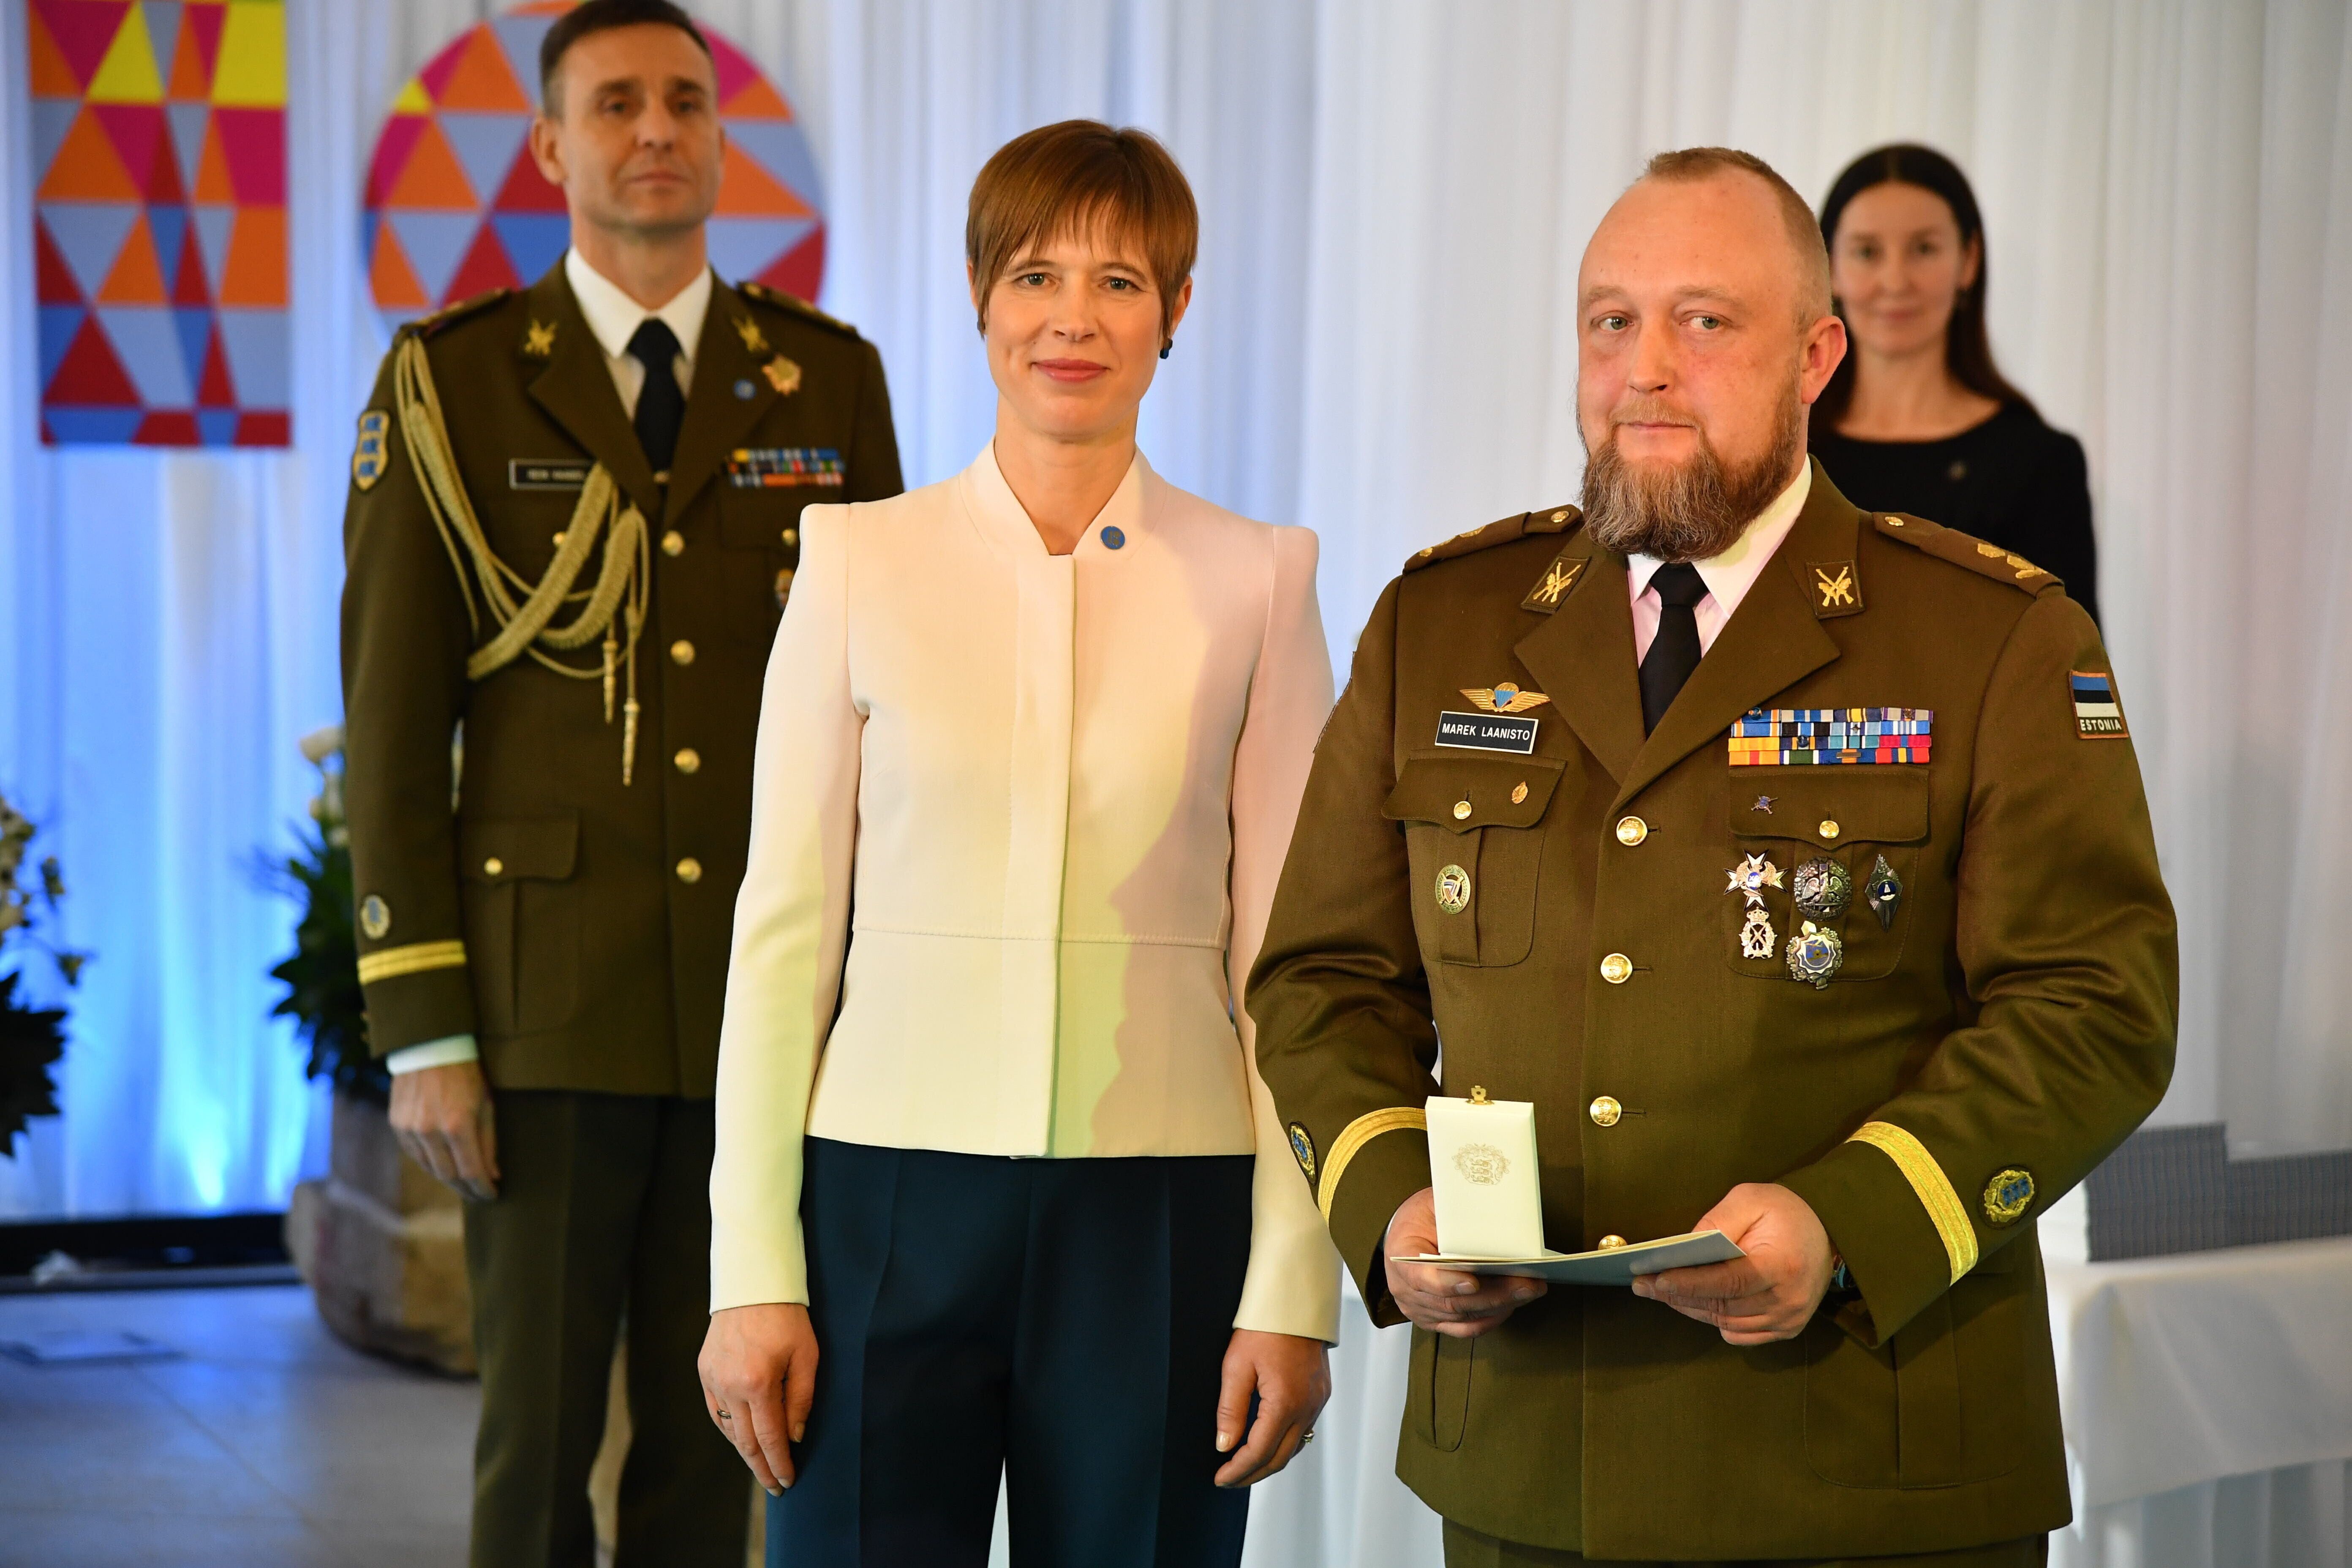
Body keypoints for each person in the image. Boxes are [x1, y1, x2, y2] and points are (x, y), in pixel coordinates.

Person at [1250, 146, 2177, 1567]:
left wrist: (1848, 1220)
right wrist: (1387, 1205)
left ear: (1816, 358)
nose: (1645, 369)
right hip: (1529, 1462)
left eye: (1703, 321)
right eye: (1609, 321)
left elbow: (2095, 1005)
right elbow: (1323, 978)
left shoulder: (1989, 639)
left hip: (1864, 1459)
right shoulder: (1441, 623)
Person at [697, 120, 1338, 1567]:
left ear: (1176, 312)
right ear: (981, 297)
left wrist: (1291, 1281)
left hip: (1160, 1206)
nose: (1072, 318)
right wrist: (752, 1270)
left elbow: (1291, 962)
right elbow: (781, 936)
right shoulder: (856, 560)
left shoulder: (1259, 578)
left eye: (1120, 281)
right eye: (1036, 275)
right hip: (881, 1201)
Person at [339, 1, 901, 1560]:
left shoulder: (825, 381)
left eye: (683, 101)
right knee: (533, 1448)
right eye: (614, 104)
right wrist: (427, 1027)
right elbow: (391, 726)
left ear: (720, 136)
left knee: (728, 1432)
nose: (655, 129)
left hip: (764, 1000)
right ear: (548, 147)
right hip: (547, 1007)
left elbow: (891, 715)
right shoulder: (452, 384)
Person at [1809, 144, 2101, 626]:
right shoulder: (1787, 449)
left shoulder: (2039, 465)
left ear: (1969, 260)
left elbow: (2071, 659)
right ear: (1829, 267)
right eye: (1867, 252)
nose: (1895, 280)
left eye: (1924, 249)